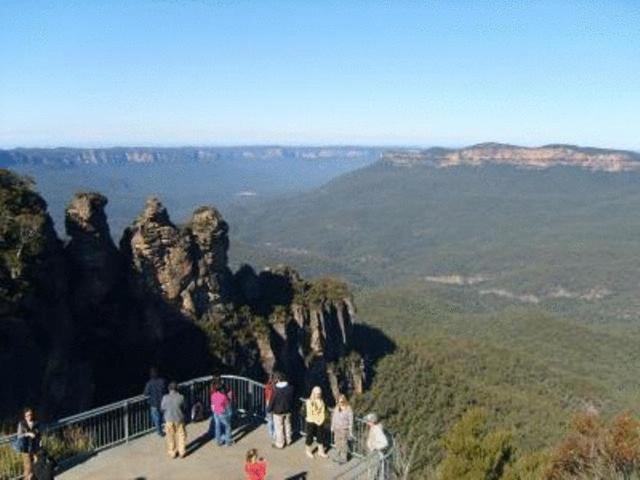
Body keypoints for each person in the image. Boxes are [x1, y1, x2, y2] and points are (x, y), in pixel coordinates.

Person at [267, 371, 294, 449]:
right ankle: (289, 440)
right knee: (288, 425)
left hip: (278, 412)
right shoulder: (290, 388)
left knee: (279, 428)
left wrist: (269, 409)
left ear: (278, 379)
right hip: (288, 410)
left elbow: (272, 401)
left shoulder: (276, 390)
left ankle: (280, 443)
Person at [160, 382, 187, 458]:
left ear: (169, 389)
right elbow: (184, 407)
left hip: (169, 419)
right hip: (179, 418)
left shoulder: (165, 397)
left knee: (170, 436)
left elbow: (162, 408)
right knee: (181, 435)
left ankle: (172, 452)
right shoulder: (181, 397)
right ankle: (182, 451)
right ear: (177, 389)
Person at [304, 386, 328, 458]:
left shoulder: (321, 401)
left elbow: (322, 412)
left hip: (319, 421)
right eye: (317, 394)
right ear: (313, 393)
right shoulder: (309, 401)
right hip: (311, 421)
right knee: (309, 436)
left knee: (320, 437)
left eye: (319, 393)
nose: (318, 395)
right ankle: (308, 450)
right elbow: (310, 413)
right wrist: (316, 419)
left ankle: (321, 451)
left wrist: (321, 420)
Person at [17, 407, 41, 480]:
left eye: (30, 415)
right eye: (27, 415)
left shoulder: (36, 423)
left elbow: (39, 434)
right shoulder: (21, 424)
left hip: (35, 447)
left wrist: (40, 442)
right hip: (25, 449)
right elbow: (19, 436)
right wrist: (27, 434)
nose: (29, 417)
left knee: (37, 465)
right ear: (25, 416)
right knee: (28, 467)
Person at [143, 367, 167, 437]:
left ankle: (160, 432)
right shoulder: (162, 381)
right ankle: (169, 428)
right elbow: (165, 390)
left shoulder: (149, 383)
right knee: (164, 417)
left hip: (154, 404)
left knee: (156, 419)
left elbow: (145, 393)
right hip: (162, 402)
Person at [330, 394, 354, 464]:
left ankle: (344, 458)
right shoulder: (337, 408)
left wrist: (350, 431)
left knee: (344, 443)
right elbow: (334, 418)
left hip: (344, 429)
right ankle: (338, 455)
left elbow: (351, 421)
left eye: (342, 402)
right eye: (339, 402)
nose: (340, 403)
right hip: (336, 428)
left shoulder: (349, 409)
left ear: (345, 401)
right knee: (337, 442)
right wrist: (332, 426)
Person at [264, 375, 275, 441]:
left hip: (268, 401)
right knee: (273, 419)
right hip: (273, 402)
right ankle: (273, 434)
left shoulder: (267, 386)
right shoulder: (274, 388)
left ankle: (270, 432)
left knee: (270, 419)